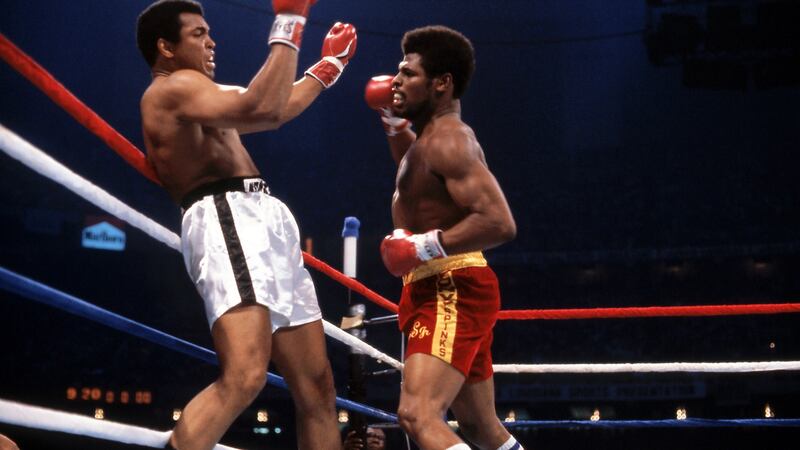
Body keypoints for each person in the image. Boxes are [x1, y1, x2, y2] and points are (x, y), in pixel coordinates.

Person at [136, 1, 356, 449]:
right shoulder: (173, 88)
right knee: (245, 375)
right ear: (166, 47)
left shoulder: (201, 96)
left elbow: (273, 106)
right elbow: (264, 107)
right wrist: (289, 24)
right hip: (226, 216)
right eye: (198, 34)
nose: (211, 40)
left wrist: (326, 68)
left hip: (258, 217)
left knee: (317, 389)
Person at [364, 26, 524, 450]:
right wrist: (394, 123)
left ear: (441, 83)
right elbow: (419, 179)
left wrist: (420, 246)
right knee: (481, 428)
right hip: (443, 287)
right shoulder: (429, 141)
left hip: (449, 287)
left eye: (407, 73)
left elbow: (499, 222)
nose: (395, 81)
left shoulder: (451, 140)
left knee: (417, 415)